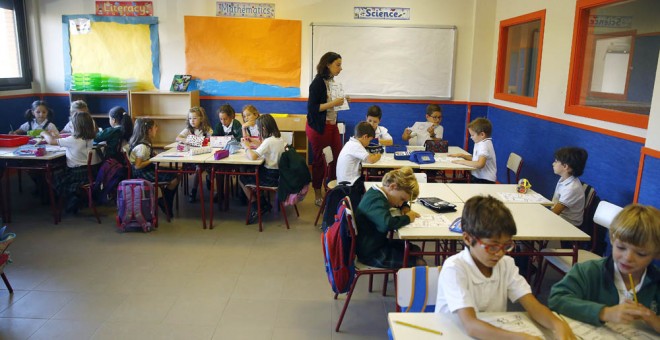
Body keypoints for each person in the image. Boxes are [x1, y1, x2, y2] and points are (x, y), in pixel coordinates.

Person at [435, 195, 575, 340]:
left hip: (492, 332)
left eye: (506, 246)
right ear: (468, 239)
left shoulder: (506, 264)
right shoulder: (455, 268)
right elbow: (470, 326)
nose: (500, 253)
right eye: (493, 246)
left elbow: (533, 305)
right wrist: (519, 338)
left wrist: (557, 324)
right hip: (452, 334)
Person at [548, 204, 660, 333]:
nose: (628, 258)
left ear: (657, 253)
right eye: (621, 247)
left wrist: (653, 320)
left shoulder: (656, 280)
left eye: (641, 253)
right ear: (613, 239)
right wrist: (604, 312)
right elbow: (556, 299)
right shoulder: (588, 272)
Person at [355, 167, 426, 268]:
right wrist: (408, 218)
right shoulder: (376, 201)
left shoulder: (378, 193)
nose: (400, 203)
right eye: (402, 199)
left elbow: (398, 199)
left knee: (414, 249)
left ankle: (404, 279)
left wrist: (404, 206)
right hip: (371, 253)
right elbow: (386, 224)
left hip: (376, 243)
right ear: (392, 186)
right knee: (420, 264)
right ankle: (408, 281)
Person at [307, 52, 347, 207]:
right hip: (318, 127)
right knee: (319, 161)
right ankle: (317, 193)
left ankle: (331, 190)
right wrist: (333, 103)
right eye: (338, 65)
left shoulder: (332, 81)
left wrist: (343, 102)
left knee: (337, 157)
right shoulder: (317, 83)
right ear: (327, 65)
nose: (340, 68)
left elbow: (332, 103)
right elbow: (313, 108)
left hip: (332, 125)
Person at [40, 111, 101, 214]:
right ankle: (75, 197)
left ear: (75, 126)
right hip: (88, 173)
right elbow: (65, 140)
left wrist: (44, 133)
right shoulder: (89, 137)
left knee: (51, 175)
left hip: (75, 174)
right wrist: (57, 136)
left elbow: (51, 141)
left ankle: (72, 196)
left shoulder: (73, 139)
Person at [239, 114, 287, 225]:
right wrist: (252, 141)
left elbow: (252, 157)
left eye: (259, 129)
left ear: (264, 129)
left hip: (270, 177)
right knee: (251, 173)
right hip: (277, 174)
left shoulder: (269, 141)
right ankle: (263, 203)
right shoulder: (278, 138)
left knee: (242, 178)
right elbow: (264, 146)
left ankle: (257, 206)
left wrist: (246, 146)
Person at [128, 118, 179, 218]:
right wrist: (153, 159)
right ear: (149, 130)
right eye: (155, 127)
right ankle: (165, 202)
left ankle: (164, 201)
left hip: (147, 169)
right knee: (174, 178)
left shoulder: (145, 144)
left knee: (176, 174)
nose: (157, 129)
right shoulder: (142, 147)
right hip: (143, 173)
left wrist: (154, 156)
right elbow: (138, 166)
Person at [175, 106, 213, 203]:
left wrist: (206, 141)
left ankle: (210, 180)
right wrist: (187, 140)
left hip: (206, 157)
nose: (192, 120)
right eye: (190, 118)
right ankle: (194, 190)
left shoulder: (207, 129)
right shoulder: (188, 130)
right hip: (193, 158)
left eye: (195, 118)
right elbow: (178, 138)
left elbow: (213, 139)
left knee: (212, 168)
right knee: (198, 169)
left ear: (201, 118)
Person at [450, 117, 497, 183]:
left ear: (482, 134)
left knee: (455, 184)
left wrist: (462, 162)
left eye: (472, 135)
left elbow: (480, 164)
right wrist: (462, 155)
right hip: (478, 177)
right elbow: (476, 159)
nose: (471, 137)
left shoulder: (484, 145)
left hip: (484, 180)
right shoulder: (480, 141)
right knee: (455, 183)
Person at [551, 147, 589, 227]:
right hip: (560, 218)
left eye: (556, 161)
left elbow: (555, 212)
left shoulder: (572, 188)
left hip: (568, 225)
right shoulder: (563, 178)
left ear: (565, 167)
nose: (553, 164)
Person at [336, 121, 381, 186]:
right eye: (369, 140)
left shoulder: (352, 142)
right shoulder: (356, 146)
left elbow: (367, 156)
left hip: (345, 180)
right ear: (365, 137)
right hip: (349, 184)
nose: (369, 143)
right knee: (372, 183)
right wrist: (379, 155)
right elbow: (371, 160)